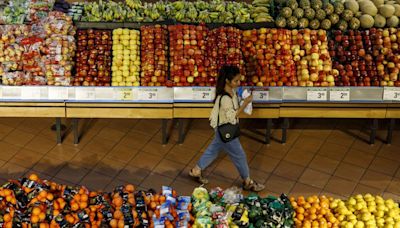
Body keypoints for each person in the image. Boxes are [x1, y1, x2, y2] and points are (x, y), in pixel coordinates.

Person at [189, 65, 265, 192]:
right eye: (236, 81)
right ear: (227, 81)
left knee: (213, 150)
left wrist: (243, 93)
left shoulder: (232, 91)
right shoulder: (224, 98)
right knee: (239, 155)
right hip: (226, 130)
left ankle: (196, 170)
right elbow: (231, 116)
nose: (238, 83)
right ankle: (247, 182)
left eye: (239, 80)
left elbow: (237, 96)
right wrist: (245, 103)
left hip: (220, 129)